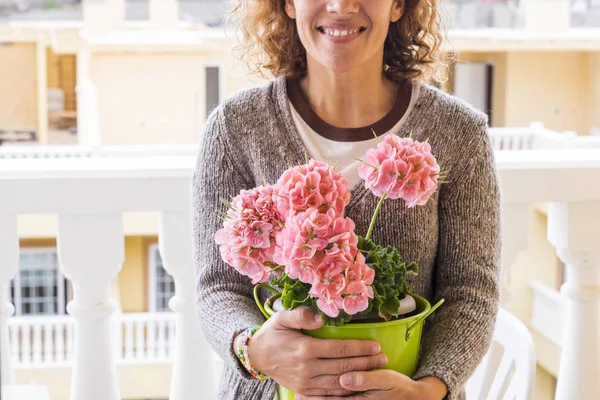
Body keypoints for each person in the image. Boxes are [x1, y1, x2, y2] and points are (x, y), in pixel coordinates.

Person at [192, 0, 501, 399]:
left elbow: (469, 293)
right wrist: (253, 349)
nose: (342, 6)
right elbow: (218, 288)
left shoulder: (458, 134)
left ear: (398, 5)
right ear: (288, 4)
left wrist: (426, 390)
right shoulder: (234, 129)